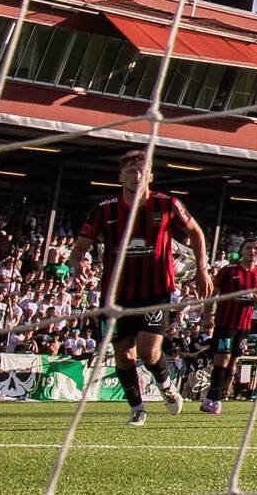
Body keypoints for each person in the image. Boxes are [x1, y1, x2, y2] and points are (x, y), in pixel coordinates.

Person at [68, 150, 211, 427]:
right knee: (124, 353)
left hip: (155, 290)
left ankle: (165, 384)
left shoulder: (167, 204)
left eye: (141, 172)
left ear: (150, 177)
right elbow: (80, 247)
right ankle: (137, 408)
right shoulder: (104, 210)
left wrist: (202, 269)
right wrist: (77, 265)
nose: (136, 176)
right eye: (130, 172)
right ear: (120, 177)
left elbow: (195, 232)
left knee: (148, 353)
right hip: (116, 293)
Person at [201, 235, 257, 414]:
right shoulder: (229, 270)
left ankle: (214, 396)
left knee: (233, 361)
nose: (252, 251)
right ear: (242, 250)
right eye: (249, 248)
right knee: (221, 358)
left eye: (256, 248)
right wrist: (207, 316)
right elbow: (212, 294)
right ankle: (214, 399)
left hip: (244, 325)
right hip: (225, 323)